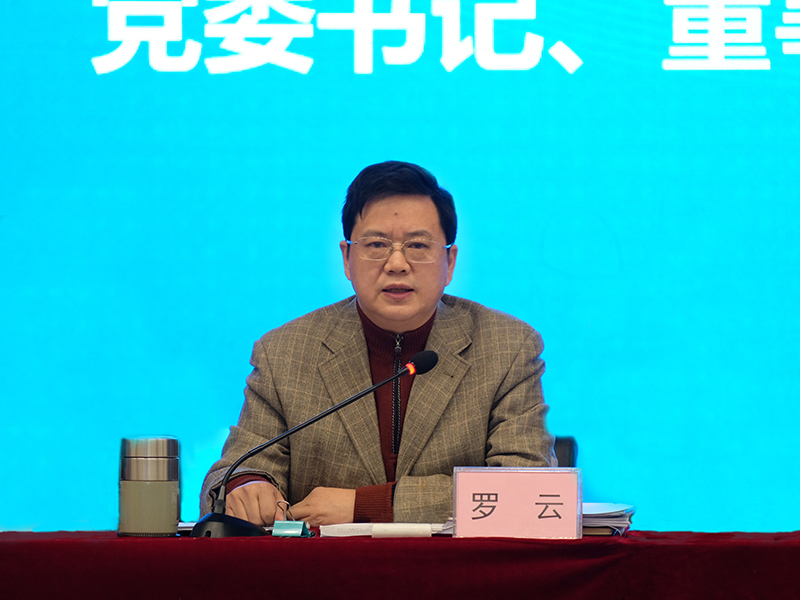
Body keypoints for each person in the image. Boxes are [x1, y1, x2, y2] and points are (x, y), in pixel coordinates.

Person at [200, 161, 555, 527]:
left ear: (449, 262)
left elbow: (528, 488)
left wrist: (368, 506)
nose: (397, 263)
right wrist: (246, 484)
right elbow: (232, 473)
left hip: (456, 563)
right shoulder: (285, 353)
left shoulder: (506, 347)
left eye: (418, 245)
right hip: (325, 565)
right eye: (376, 245)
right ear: (347, 259)